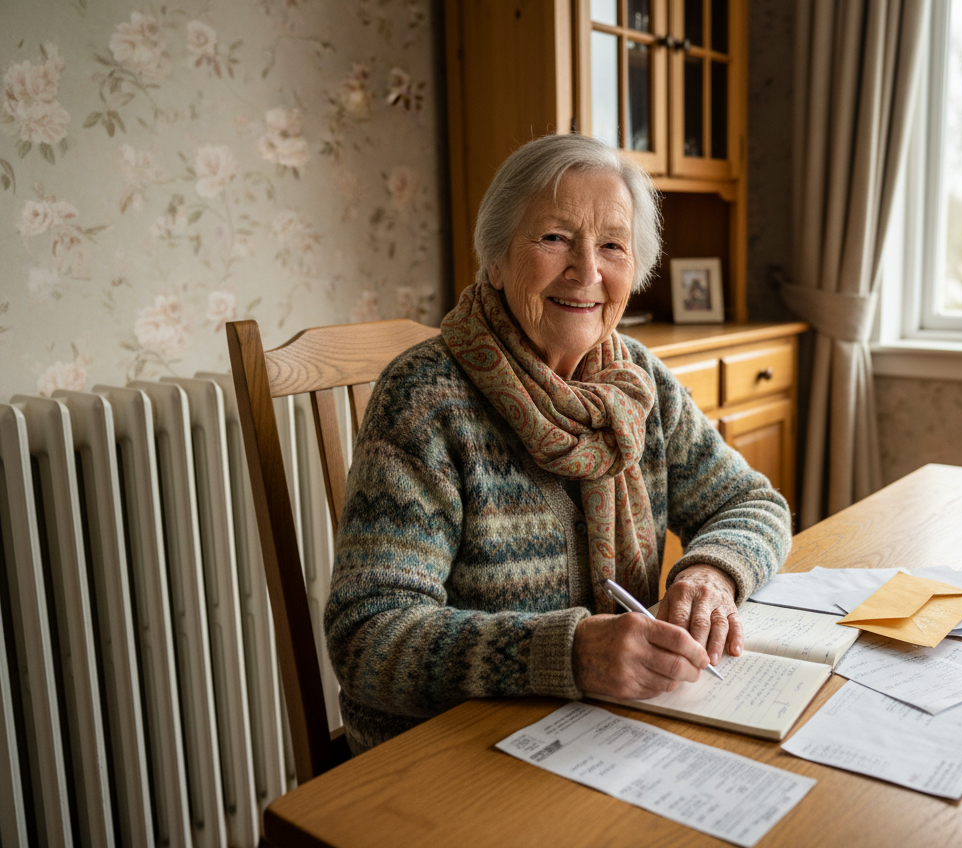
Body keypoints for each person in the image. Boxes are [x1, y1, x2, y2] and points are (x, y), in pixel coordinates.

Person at [325, 133, 792, 752]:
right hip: (447, 754)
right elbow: (369, 637)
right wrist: (566, 654)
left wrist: (711, 574)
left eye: (612, 246)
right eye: (554, 238)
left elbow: (754, 505)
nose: (587, 272)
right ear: (494, 259)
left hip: (604, 733)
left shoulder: (637, 383)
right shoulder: (425, 400)